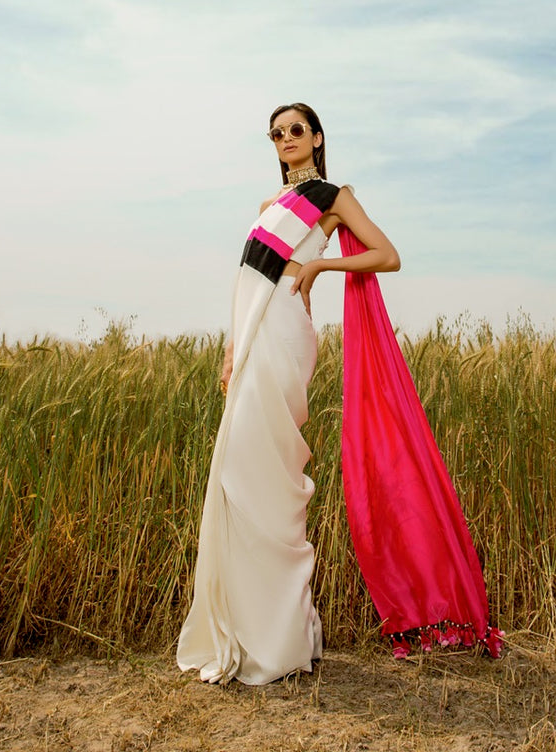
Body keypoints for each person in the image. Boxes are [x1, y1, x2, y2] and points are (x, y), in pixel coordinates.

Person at [176, 103, 401, 685]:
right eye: (276, 134)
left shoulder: (330, 196)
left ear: (317, 136)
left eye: (295, 130)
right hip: (252, 341)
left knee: (270, 470)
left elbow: (387, 254)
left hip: (287, 336)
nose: (285, 139)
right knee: (240, 473)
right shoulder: (265, 208)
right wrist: (231, 352)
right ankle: (259, 630)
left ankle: (282, 635)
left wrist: (321, 265)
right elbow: (244, 291)